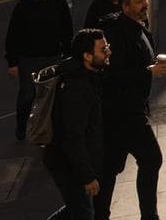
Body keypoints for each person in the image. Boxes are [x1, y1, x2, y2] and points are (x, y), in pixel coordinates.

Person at [95, 0, 166, 220]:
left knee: (108, 171)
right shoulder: (116, 34)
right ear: (125, 6)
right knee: (151, 159)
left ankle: (98, 215)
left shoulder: (139, 27)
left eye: (145, 0)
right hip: (123, 112)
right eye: (139, 2)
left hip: (130, 110)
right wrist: (148, 71)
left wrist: (154, 69)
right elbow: (110, 75)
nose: (145, 5)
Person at [43, 28, 110, 220]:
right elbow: (73, 137)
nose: (108, 53)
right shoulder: (77, 89)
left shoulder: (89, 76)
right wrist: (87, 176)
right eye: (103, 50)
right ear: (87, 56)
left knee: (78, 209)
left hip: (71, 159)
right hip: (66, 163)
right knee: (83, 212)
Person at [5, 0, 72, 141]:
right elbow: (12, 35)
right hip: (29, 59)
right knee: (27, 95)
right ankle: (22, 128)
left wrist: (68, 55)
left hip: (53, 57)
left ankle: (47, 129)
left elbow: (67, 31)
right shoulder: (24, 6)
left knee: (51, 96)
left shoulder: (59, 4)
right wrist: (12, 62)